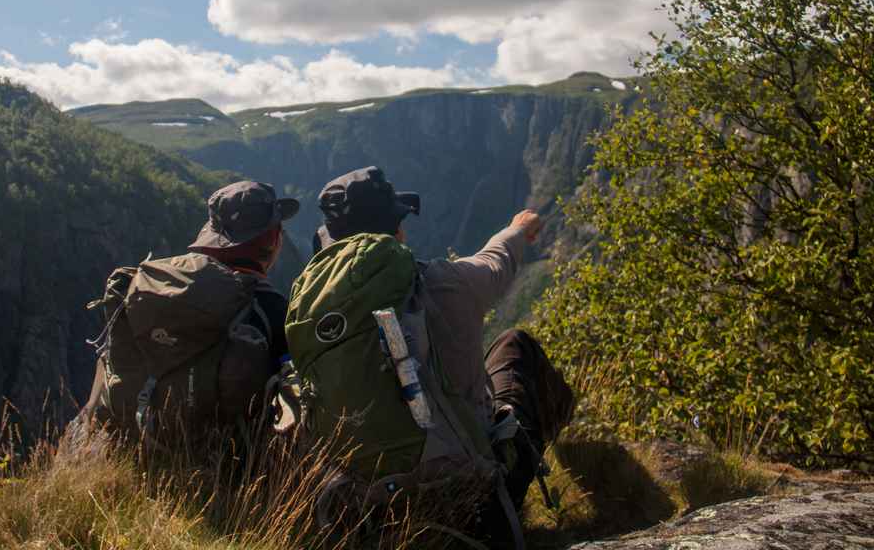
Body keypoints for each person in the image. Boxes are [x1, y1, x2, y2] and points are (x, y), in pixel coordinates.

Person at [292, 166, 573, 547]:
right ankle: (575, 461)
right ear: (397, 232)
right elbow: (496, 260)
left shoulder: (313, 317)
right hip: (475, 502)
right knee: (515, 345)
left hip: (372, 515)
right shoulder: (445, 283)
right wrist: (519, 229)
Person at [73, 180, 299, 445]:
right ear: (273, 239)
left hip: (135, 442)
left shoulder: (158, 286)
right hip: (228, 459)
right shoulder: (272, 309)